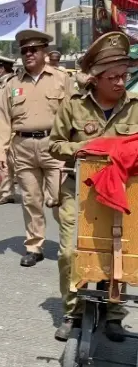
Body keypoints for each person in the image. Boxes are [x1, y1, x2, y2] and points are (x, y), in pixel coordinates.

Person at [48, 31, 136, 342]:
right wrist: (86, 147)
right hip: (79, 191)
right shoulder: (74, 106)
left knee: (120, 251)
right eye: (112, 77)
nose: (120, 83)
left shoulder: (135, 106)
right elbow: (55, 145)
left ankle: (113, 313)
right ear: (96, 78)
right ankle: (73, 313)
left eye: (124, 76)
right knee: (70, 253)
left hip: (124, 193)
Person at [0, 30, 71, 268]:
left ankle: (68, 245)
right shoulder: (13, 84)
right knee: (31, 200)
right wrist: (0, 153)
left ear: (44, 52)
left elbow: (73, 115)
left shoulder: (61, 78)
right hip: (23, 148)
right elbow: (3, 120)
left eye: (33, 50)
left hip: (55, 146)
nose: (28, 54)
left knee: (61, 199)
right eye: (24, 51)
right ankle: (34, 247)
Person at [0, 54, 17, 205]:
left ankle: (7, 192)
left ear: (3, 68)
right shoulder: (0, 84)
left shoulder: (11, 84)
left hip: (9, 128)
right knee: (7, 161)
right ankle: (8, 191)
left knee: (5, 161)